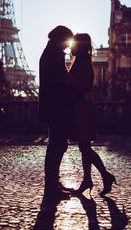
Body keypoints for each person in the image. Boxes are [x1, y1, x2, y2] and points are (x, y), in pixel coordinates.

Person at [66, 33, 117, 196]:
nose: (71, 46)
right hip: (81, 109)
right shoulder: (82, 62)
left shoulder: (83, 64)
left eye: (74, 43)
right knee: (85, 147)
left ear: (79, 46)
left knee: (85, 148)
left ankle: (104, 176)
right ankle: (89, 179)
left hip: (82, 110)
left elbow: (82, 90)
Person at [39, 25, 73, 200]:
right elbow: (61, 81)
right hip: (57, 106)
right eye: (67, 40)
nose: (68, 44)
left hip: (52, 105)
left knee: (56, 145)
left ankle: (53, 183)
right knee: (57, 145)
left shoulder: (49, 52)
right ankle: (52, 186)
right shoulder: (55, 54)